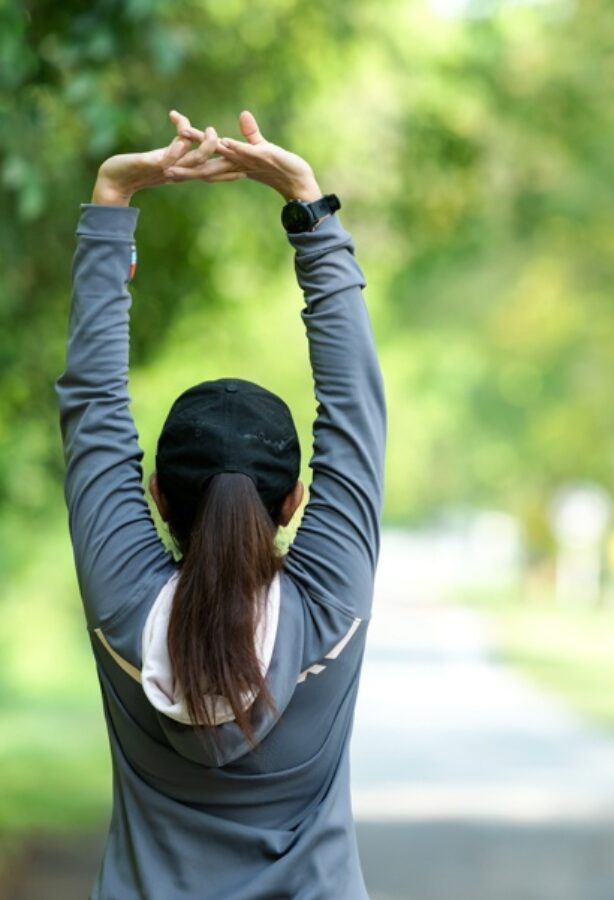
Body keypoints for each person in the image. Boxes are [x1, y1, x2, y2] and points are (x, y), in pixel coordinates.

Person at [55, 109, 387, 899]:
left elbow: (92, 405)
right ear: (296, 500)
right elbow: (356, 409)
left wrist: (112, 199)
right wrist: (308, 208)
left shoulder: (125, 606)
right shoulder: (326, 607)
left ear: (157, 495)